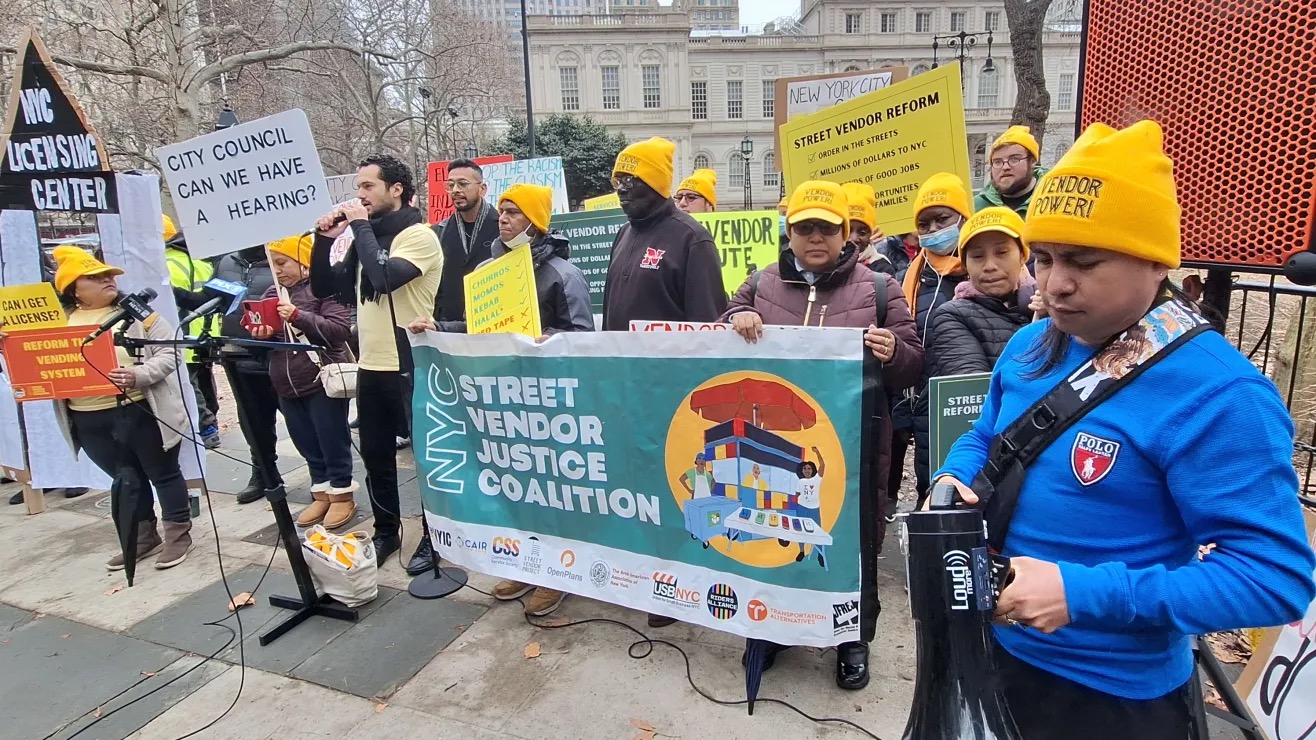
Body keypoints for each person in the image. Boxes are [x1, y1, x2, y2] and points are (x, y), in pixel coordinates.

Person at [935, 120, 1316, 739]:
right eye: (1045, 258)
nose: (1055, 285)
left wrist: (1083, 594)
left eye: (1084, 262)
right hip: (992, 656)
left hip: (1114, 698)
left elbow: (1272, 579)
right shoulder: (1031, 346)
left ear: (1155, 262)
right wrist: (954, 478)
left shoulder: (1221, 393)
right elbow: (986, 436)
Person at [722, 180, 924, 689]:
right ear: (789, 232)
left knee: (851, 542)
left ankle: (851, 639)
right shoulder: (761, 283)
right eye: (805, 227)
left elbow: (914, 362)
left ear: (844, 233)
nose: (815, 237)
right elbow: (719, 330)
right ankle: (771, 628)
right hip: (774, 444)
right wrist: (737, 316)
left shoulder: (879, 288)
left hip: (855, 446)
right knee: (775, 533)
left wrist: (893, 352)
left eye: (827, 228)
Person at [410, 182, 596, 602]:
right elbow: (479, 327)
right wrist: (439, 327)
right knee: (518, 488)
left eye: (513, 212)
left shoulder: (564, 275)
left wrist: (545, 342)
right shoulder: (489, 271)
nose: (504, 219)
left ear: (535, 221)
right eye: (503, 211)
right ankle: (527, 564)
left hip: (549, 405)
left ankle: (558, 574)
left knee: (553, 492)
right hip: (504, 402)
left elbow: (582, 340)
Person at [14, 247, 194, 571]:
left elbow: (170, 352)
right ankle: (143, 537)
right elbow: (35, 360)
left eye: (109, 275)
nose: (108, 280)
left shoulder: (138, 313)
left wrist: (139, 375)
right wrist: (11, 347)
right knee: (126, 479)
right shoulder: (57, 321)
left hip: (140, 410)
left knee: (163, 474)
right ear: (73, 289)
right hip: (88, 418)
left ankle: (178, 535)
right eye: (96, 277)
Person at [312, 154, 442, 565]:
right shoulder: (364, 241)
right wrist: (324, 240)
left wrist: (360, 226)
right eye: (358, 187)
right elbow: (325, 288)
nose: (360, 195)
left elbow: (385, 278)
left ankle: (436, 537)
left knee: (427, 460)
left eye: (368, 186)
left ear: (396, 189)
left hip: (412, 364)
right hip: (372, 365)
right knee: (376, 456)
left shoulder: (419, 236)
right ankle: (386, 530)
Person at [248, 234, 357, 530]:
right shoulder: (272, 291)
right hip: (285, 382)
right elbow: (269, 336)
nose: (277, 270)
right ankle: (321, 492)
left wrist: (298, 316)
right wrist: (261, 332)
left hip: (320, 379)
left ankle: (342, 493)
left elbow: (339, 330)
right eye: (273, 263)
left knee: (332, 439)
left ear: (303, 262)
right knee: (305, 442)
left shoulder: (325, 288)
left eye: (282, 262)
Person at [601, 137, 727, 333]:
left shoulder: (692, 239)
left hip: (671, 354)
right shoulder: (623, 234)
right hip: (618, 353)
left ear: (655, 183)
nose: (621, 190)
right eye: (617, 181)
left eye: (629, 180)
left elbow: (707, 325)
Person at [902, 172, 972, 510]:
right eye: (924, 224)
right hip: (928, 400)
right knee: (931, 485)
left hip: (977, 398)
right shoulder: (913, 276)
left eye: (941, 220)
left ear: (962, 218)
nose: (932, 229)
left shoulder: (983, 265)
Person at [927, 207, 1036, 377]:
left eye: (1002, 252)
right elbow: (971, 386)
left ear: (1022, 255)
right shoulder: (953, 315)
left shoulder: (1051, 305)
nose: (990, 266)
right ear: (965, 265)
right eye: (978, 256)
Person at [214, 244, 280, 504]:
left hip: (280, 353)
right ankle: (264, 472)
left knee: (303, 421)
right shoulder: (226, 261)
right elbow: (214, 298)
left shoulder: (282, 253)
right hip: (237, 353)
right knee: (253, 420)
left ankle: (324, 477)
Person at [162, 215, 220, 449]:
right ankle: (212, 423)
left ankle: (207, 428)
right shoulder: (199, 258)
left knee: (188, 382)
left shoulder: (165, 264)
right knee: (204, 380)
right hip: (209, 330)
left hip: (184, 330)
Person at [432, 158, 499, 331]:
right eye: (450, 185)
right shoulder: (438, 231)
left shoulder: (503, 227)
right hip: (448, 328)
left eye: (463, 184)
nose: (455, 190)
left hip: (493, 326)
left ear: (482, 189)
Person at [974, 125, 1045, 219]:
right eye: (997, 162)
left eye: (1014, 159)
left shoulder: (1053, 200)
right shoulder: (977, 207)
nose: (1005, 167)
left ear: (1032, 161)